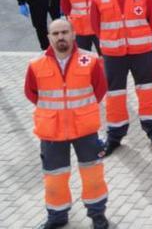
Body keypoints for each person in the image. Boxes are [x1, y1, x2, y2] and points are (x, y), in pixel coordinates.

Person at [24, 19, 110, 229]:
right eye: (56, 34)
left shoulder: (90, 60)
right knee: (54, 178)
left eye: (64, 32)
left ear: (73, 34)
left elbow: (99, 89)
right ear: (49, 38)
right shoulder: (35, 65)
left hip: (85, 129)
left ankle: (97, 215)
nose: (60, 37)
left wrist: (80, 111)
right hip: (51, 131)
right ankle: (57, 216)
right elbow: (31, 93)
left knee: (93, 176)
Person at [90, 0, 152, 155]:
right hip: (113, 55)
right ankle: (115, 136)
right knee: (114, 96)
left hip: (142, 53)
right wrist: (111, 41)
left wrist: (140, 39)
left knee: (148, 93)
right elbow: (95, 26)